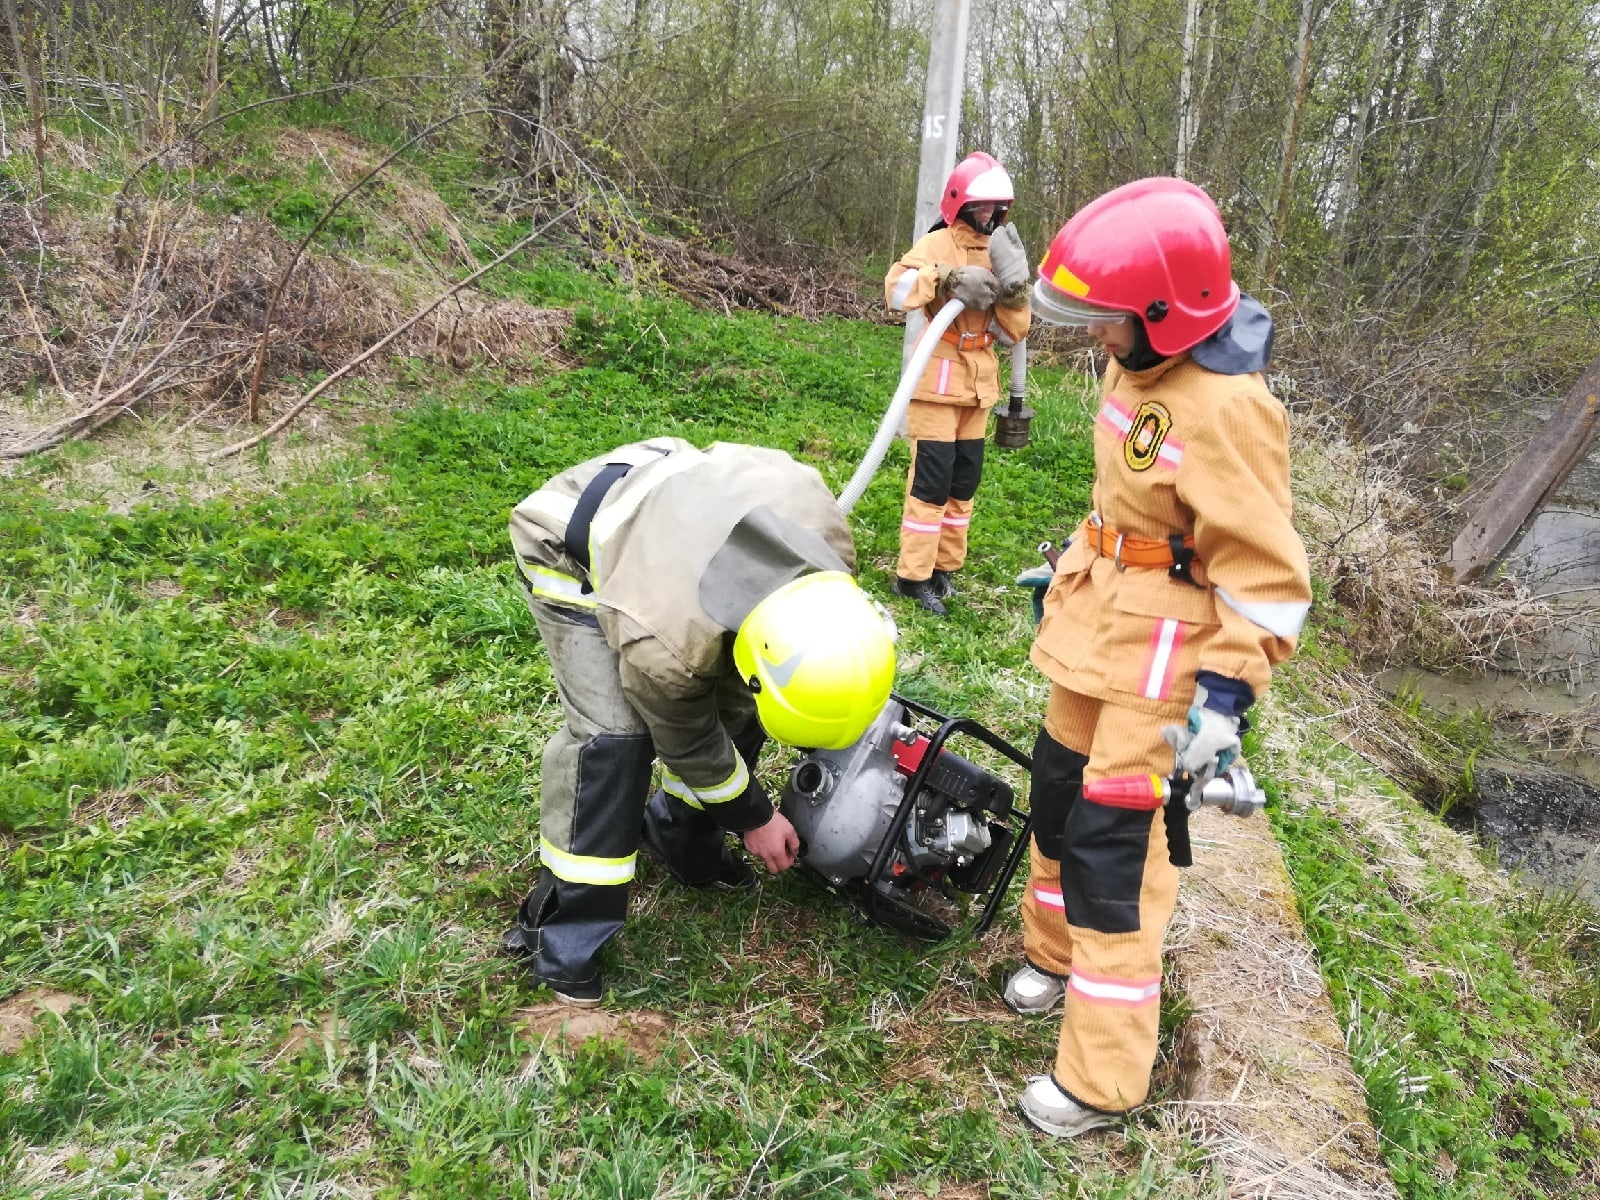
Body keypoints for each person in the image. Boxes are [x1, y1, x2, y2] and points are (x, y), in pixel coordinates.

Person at [1005, 178, 1312, 1137]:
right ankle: (1053, 958)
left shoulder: (1229, 409)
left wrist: (1223, 701)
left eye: (1109, 322)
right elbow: (1134, 501)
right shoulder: (1135, 367)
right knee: (1057, 795)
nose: (1098, 339)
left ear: (1164, 314)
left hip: (1164, 666)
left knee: (1114, 855)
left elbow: (1262, 575)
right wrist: (1076, 553)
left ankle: (1100, 1080)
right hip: (1096, 625)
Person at [500, 438, 897, 1006]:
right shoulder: (664, 643)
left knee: (739, 702)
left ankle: (681, 837)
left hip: (676, 502)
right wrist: (754, 816)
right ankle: (561, 936)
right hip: (575, 536)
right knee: (617, 743)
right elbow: (686, 739)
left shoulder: (830, 556)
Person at [883, 151, 1032, 616]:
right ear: (960, 204)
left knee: (961, 486)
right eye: (981, 207)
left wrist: (1014, 293)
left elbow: (1015, 333)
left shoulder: (999, 250)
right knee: (930, 485)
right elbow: (896, 290)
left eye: (996, 208)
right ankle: (913, 578)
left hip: (978, 387)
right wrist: (944, 278)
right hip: (936, 382)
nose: (989, 216)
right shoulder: (938, 244)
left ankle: (944, 571)